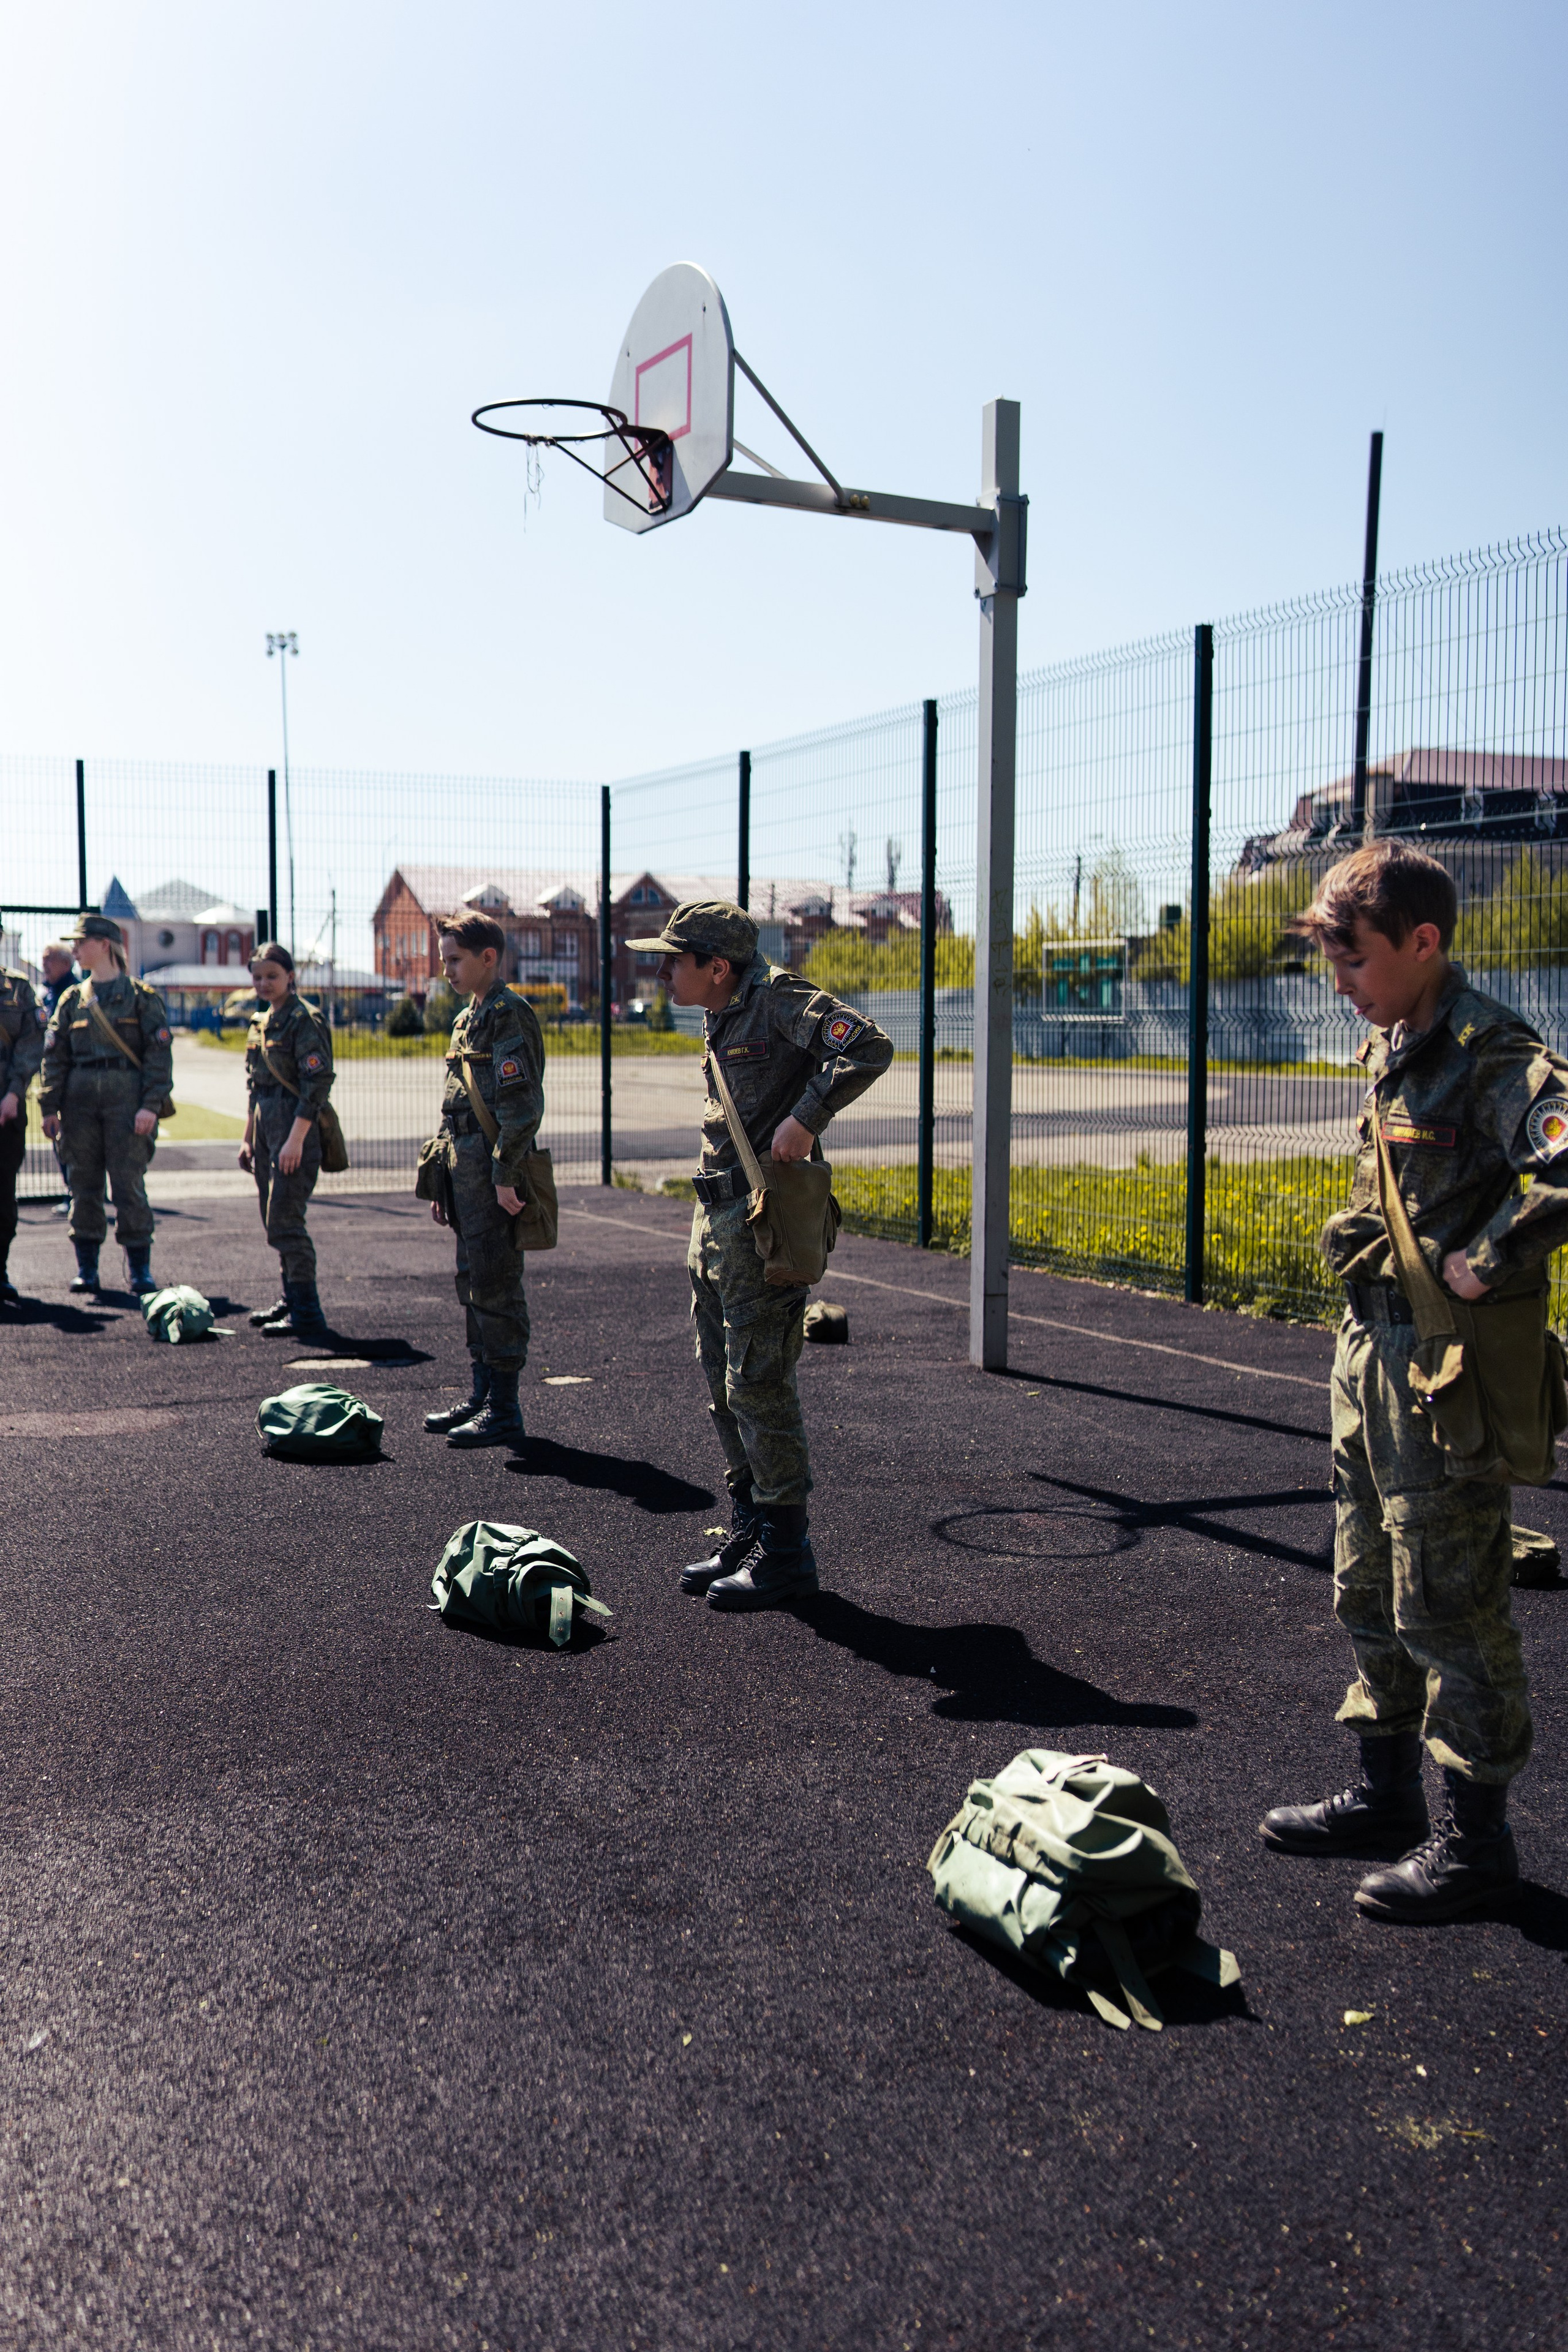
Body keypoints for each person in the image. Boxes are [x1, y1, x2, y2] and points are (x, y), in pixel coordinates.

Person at [1260, 839, 1568, 1923]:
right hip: (1371, 1356)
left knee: (1451, 1601)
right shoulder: (1396, 1043)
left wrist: (1492, 1256)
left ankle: (1476, 1846)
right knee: (1364, 1580)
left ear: (1424, 943)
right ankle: (1385, 1797)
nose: (1338, 983)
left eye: (1352, 959)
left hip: (1444, 1372)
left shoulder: (1489, 1053)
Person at [622, 899, 892, 1611]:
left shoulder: (776, 996)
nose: (661, 971)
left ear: (718, 966)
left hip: (762, 1219)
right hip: (716, 1216)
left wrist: (807, 1118)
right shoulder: (722, 1008)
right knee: (721, 1382)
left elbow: (867, 1045)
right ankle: (751, 1528)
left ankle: (787, 1554)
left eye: (673, 959)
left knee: (759, 1383)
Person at [421, 911, 544, 1450]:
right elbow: (456, 1106)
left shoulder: (507, 1014)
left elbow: (521, 1108)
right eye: (444, 958)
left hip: (492, 1169)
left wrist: (504, 1175)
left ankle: (505, 1409)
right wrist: (443, 1181)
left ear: (488, 958)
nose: (445, 968)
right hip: (463, 1168)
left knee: (495, 1283)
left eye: (454, 959)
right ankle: (481, 1394)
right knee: (472, 1280)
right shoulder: (469, 1015)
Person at [39, 913, 172, 1297]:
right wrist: (50, 1106)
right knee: (83, 1184)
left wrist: (151, 1104)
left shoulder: (141, 998)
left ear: (106, 945)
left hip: (127, 1102)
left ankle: (140, 1270)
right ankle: (88, 1269)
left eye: (82, 943)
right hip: (79, 1104)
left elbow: (159, 1056)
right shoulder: (71, 1000)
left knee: (129, 1186)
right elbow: (55, 1058)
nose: (76, 950)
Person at [237, 941, 337, 1344]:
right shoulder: (261, 1023)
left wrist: (295, 1142)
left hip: (295, 1132)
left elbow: (317, 1085)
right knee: (271, 1216)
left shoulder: (304, 1020)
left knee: (286, 1220)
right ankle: (291, 1299)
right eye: (258, 977)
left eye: (272, 976)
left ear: (290, 977)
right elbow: (254, 1088)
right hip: (267, 1132)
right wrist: (248, 1140)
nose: (264, 983)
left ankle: (308, 1313)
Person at [0, 957, 47, 1305]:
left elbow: (31, 1044)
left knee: (2, 1194)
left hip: (6, 1108)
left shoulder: (18, 989)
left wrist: (15, 1092)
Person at [39, 943, 78, 1217]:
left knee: (76, 1140)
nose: (45, 967)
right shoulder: (48, 992)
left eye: (49, 961)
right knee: (60, 1138)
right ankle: (72, 1191)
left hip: (74, 1078)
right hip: (56, 1077)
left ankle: (81, 1193)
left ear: (65, 963)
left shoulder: (75, 993)